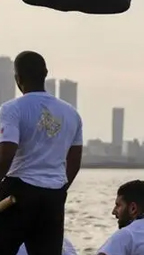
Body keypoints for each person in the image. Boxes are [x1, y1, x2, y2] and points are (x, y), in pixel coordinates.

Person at [0, 51, 83, 255]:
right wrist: (60, 188)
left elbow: (6, 154)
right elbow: (74, 161)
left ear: (18, 78)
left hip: (18, 194)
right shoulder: (71, 113)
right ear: (45, 73)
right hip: (53, 197)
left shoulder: (12, 109)